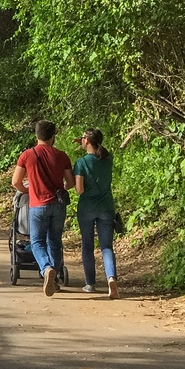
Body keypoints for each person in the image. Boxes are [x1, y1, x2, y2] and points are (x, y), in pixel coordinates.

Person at [12, 120, 74, 297]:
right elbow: (69, 183)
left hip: (38, 205)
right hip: (58, 205)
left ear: (36, 135)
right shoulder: (62, 156)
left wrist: (28, 190)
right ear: (53, 136)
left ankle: (46, 269)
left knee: (37, 241)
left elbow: (15, 182)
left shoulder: (27, 155)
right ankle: (53, 279)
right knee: (54, 241)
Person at [74, 128, 119, 299]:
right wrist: (87, 141)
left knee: (87, 245)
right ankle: (111, 278)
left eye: (83, 137)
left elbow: (79, 189)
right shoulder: (108, 159)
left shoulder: (81, 163)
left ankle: (90, 284)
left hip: (87, 208)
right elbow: (98, 153)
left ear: (87, 141)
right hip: (107, 207)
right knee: (106, 246)